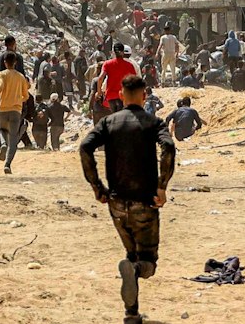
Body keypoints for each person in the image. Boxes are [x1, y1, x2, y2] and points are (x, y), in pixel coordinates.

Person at [80, 73, 176, 324]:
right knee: (147, 262)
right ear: (144, 96)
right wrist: (162, 186)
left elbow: (85, 147)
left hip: (116, 203)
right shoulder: (154, 123)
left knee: (131, 252)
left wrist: (96, 186)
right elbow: (168, 148)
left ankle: (131, 313)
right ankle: (134, 272)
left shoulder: (109, 122)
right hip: (145, 202)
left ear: (121, 96)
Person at [0, 52, 32, 173]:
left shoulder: (1, 72)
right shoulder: (20, 76)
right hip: (16, 109)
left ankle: (3, 143)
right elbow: (27, 95)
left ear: (5, 62)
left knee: (2, 129)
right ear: (15, 62)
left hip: (3, 107)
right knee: (13, 139)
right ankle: (8, 164)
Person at [95, 43, 137, 121]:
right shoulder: (129, 65)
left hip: (111, 96)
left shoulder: (107, 64)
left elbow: (100, 78)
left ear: (114, 52)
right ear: (123, 52)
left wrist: (99, 92)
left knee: (114, 115)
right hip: (124, 96)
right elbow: (135, 80)